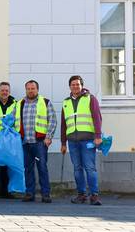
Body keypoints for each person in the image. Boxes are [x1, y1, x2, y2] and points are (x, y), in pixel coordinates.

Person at [60, 75, 103, 206]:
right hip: (72, 141)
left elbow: (97, 118)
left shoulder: (90, 99)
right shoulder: (66, 102)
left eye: (77, 84)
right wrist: (63, 143)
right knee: (77, 169)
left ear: (82, 86)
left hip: (88, 140)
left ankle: (94, 195)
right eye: (73, 84)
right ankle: (81, 195)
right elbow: (64, 124)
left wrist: (98, 136)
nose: (75, 86)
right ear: (70, 86)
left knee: (90, 168)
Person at [14, 80, 57, 203]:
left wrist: (49, 137)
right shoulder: (19, 104)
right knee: (27, 168)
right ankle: (29, 193)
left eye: (33, 88)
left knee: (42, 167)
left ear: (37, 89)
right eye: (28, 88)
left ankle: (45, 194)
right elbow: (13, 120)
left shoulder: (45, 102)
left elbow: (52, 120)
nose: (30, 91)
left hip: (40, 142)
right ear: (25, 89)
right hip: (25, 142)